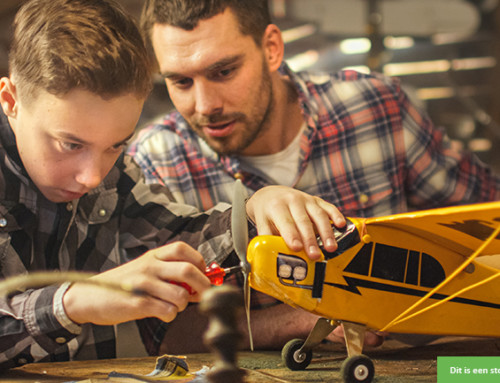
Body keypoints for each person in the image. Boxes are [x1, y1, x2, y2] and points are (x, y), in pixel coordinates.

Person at [129, 0, 500, 353]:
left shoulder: (375, 105)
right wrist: (302, 319)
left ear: (272, 48)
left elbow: (487, 216)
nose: (205, 105)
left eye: (224, 71)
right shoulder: (155, 160)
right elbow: (165, 336)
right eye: (180, 82)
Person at [0, 0, 344, 370]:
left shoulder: (116, 178)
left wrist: (255, 212)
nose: (93, 176)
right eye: (71, 144)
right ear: (11, 101)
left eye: (116, 145)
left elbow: (179, 235)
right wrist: (76, 301)